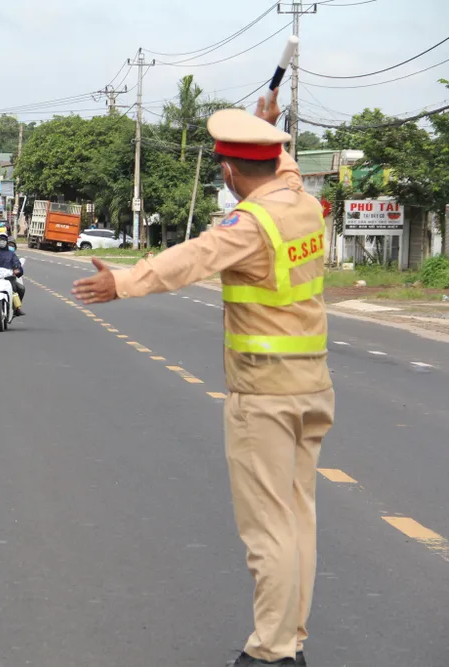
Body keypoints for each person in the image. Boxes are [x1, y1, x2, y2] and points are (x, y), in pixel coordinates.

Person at [72, 90, 332, 667]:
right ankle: (291, 638)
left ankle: (271, 652)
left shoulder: (252, 222)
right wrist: (270, 130)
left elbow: (192, 256)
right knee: (298, 520)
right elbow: (283, 172)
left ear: (230, 168)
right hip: (312, 386)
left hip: (264, 393)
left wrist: (124, 282)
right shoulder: (303, 204)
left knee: (269, 532)